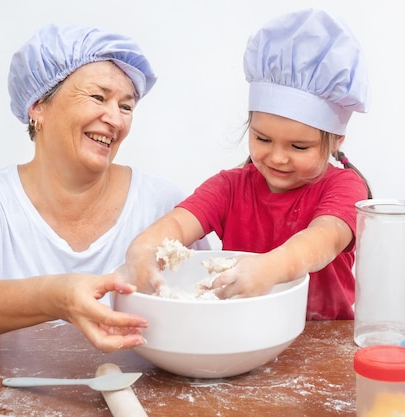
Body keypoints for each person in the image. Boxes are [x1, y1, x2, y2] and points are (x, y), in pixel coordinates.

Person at [0, 24, 207, 351]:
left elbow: (208, 302)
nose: (116, 119)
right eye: (98, 97)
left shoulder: (164, 204)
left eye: (126, 106)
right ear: (38, 106)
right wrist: (56, 297)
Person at [125, 9, 371, 320]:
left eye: (299, 146)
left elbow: (323, 239)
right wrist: (143, 248)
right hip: (240, 333)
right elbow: (177, 225)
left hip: (322, 341)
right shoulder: (229, 188)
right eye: (263, 139)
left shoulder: (345, 186)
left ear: (336, 140)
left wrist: (270, 268)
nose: (278, 157)